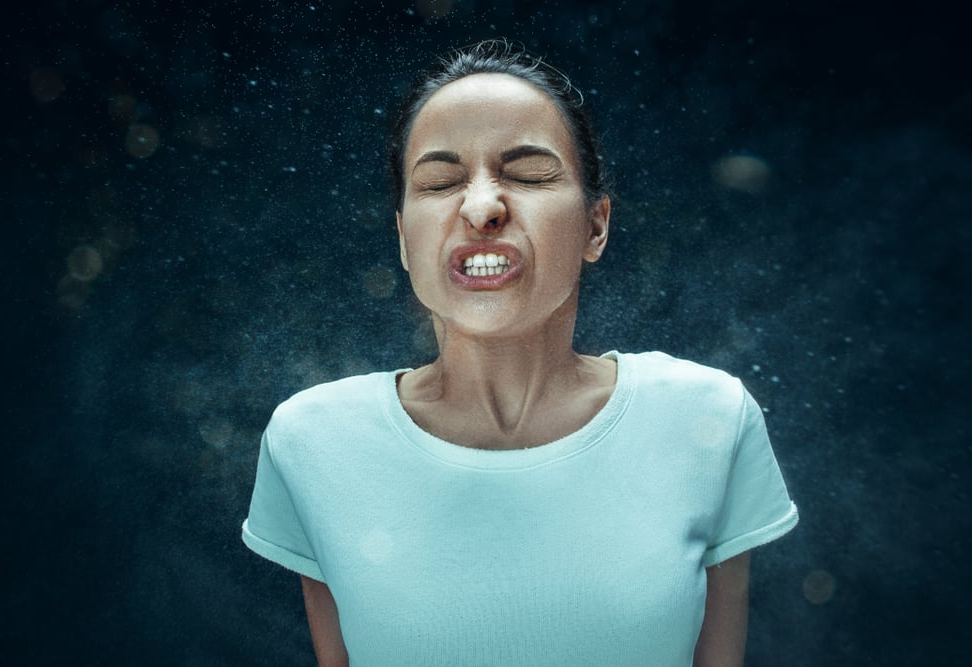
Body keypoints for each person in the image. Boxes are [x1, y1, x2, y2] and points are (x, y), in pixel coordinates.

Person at [241, 39, 798, 667]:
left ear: (596, 226)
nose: (481, 207)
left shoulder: (708, 420)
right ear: (402, 239)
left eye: (529, 174)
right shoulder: (315, 441)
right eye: (440, 182)